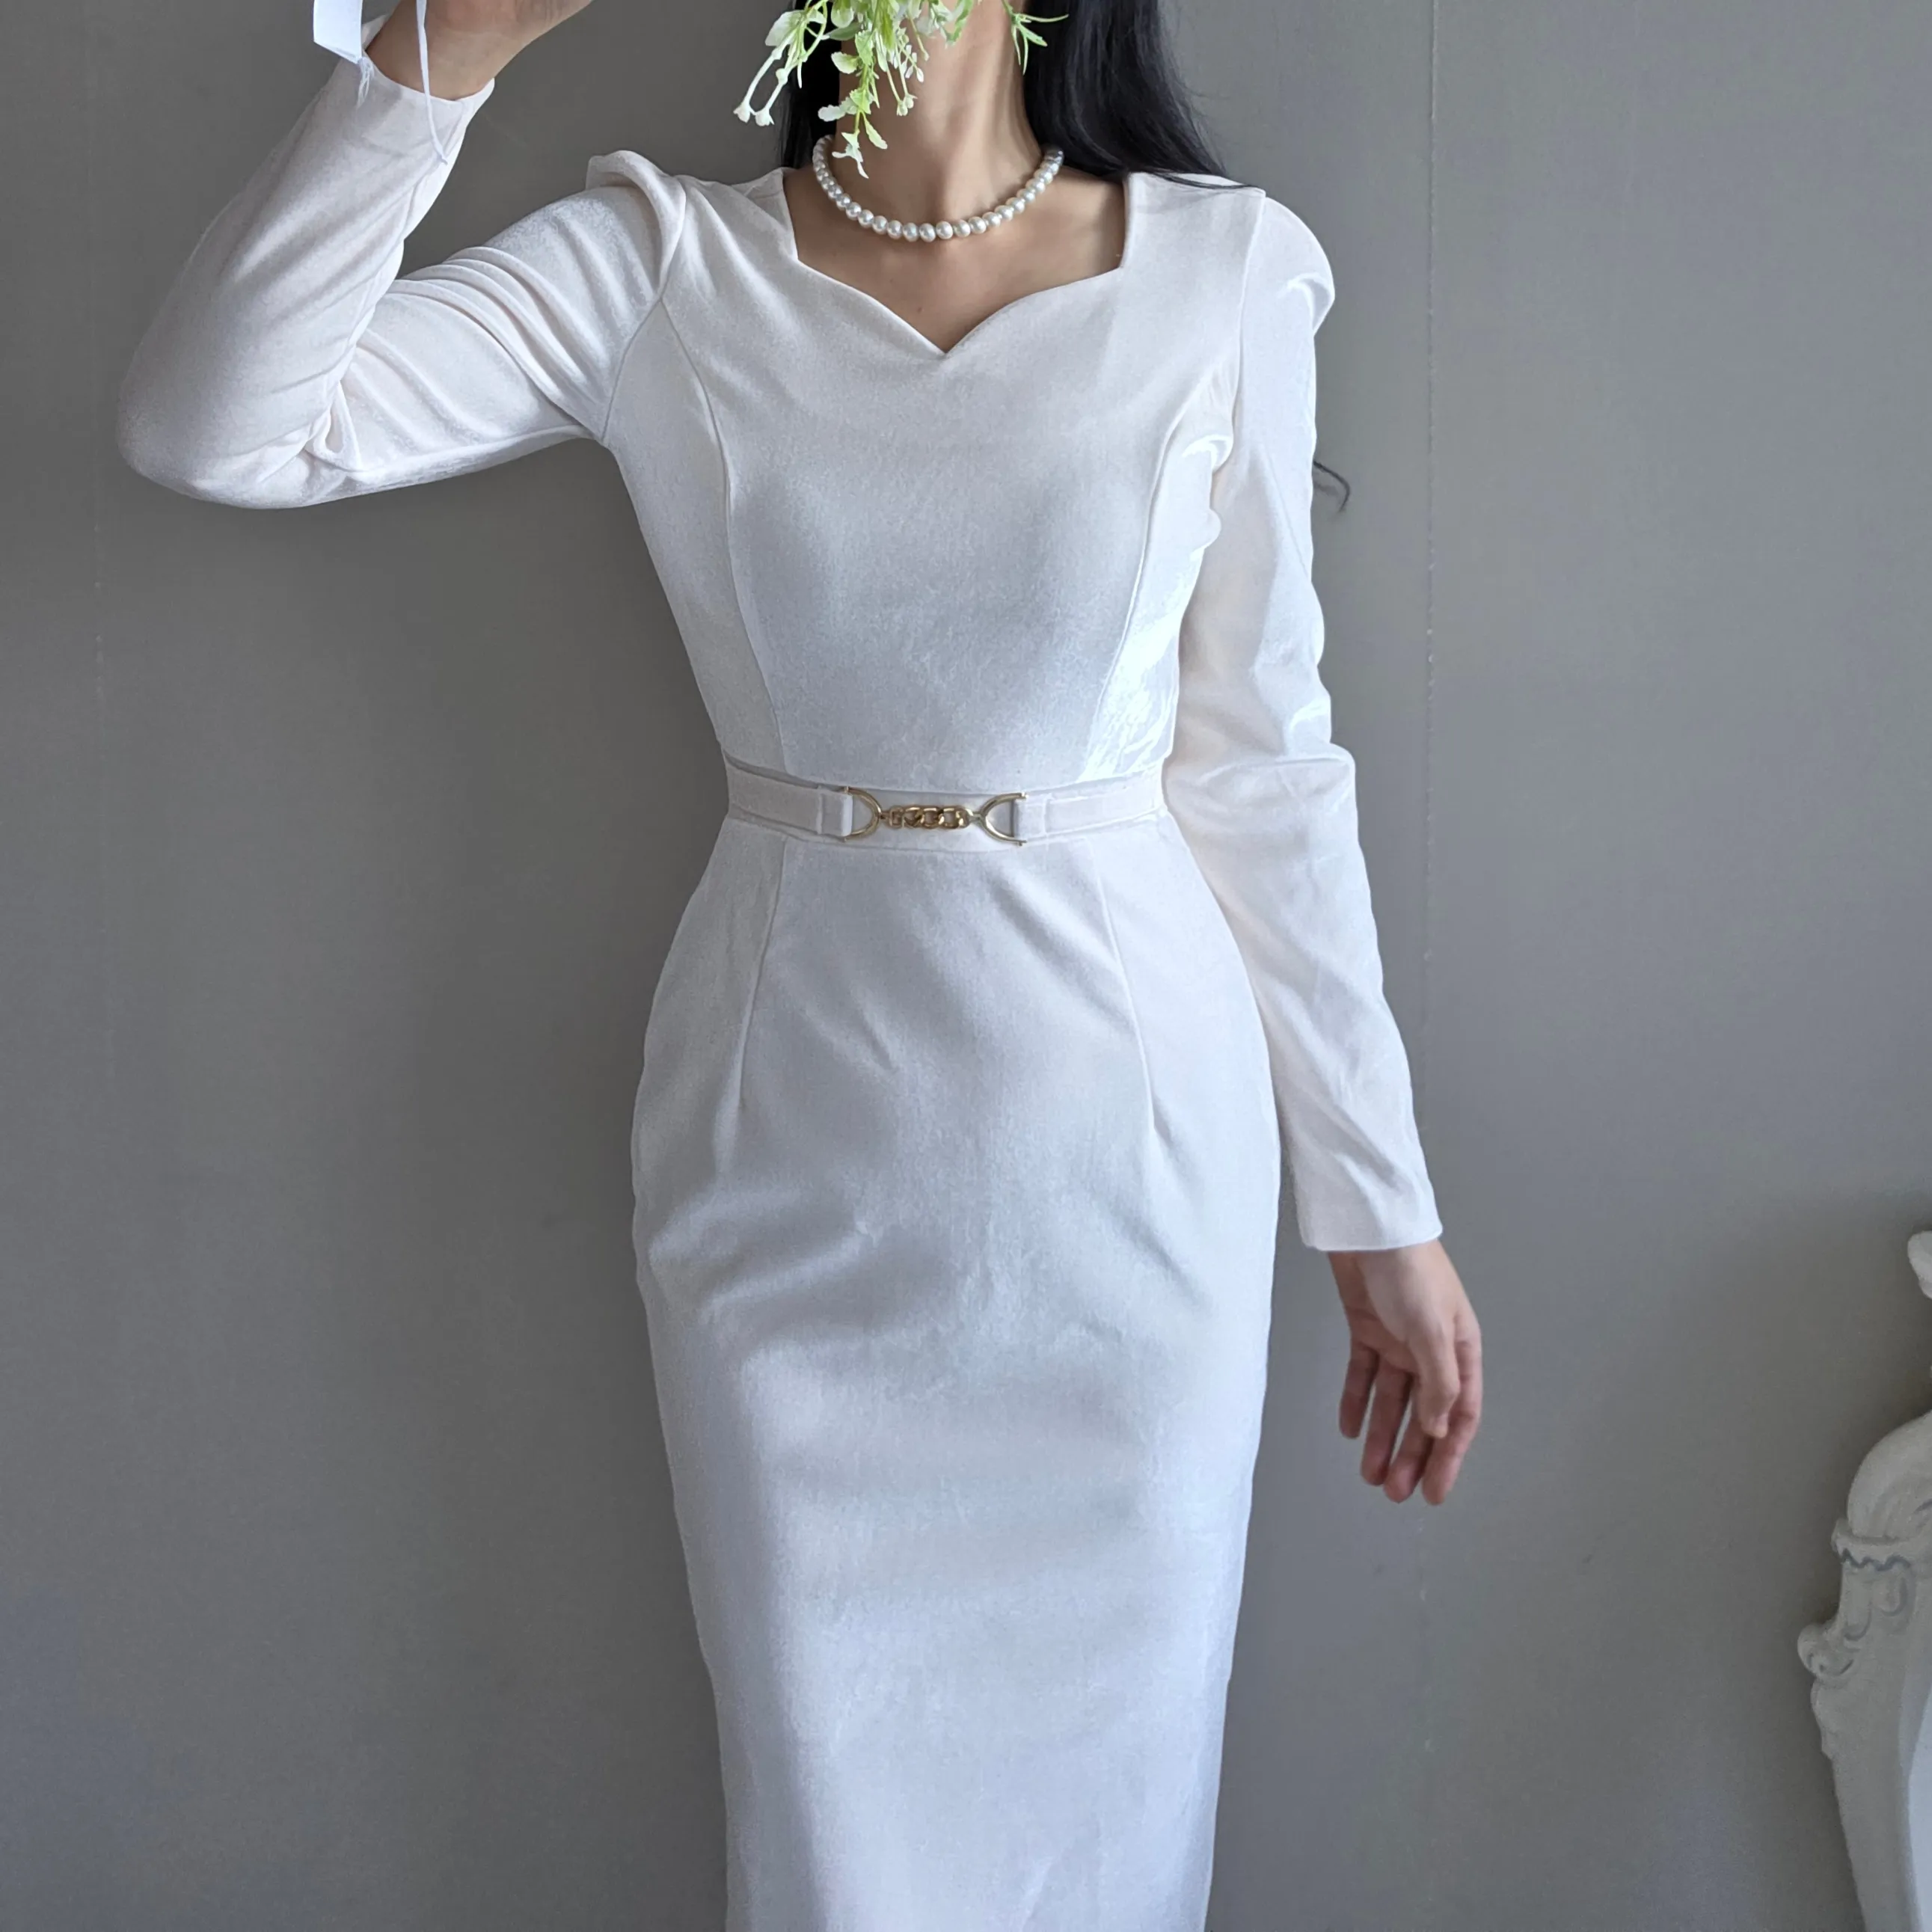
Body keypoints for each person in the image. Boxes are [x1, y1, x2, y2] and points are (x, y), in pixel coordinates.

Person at [115, 0, 1484, 1923]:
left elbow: (1264, 761)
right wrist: (441, 49)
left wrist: (1378, 1200)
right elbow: (215, 426)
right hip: (794, 1144)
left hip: (1131, 1166)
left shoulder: (1222, 270)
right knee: (834, 1832)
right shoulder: (657, 264)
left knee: (1116, 1825)